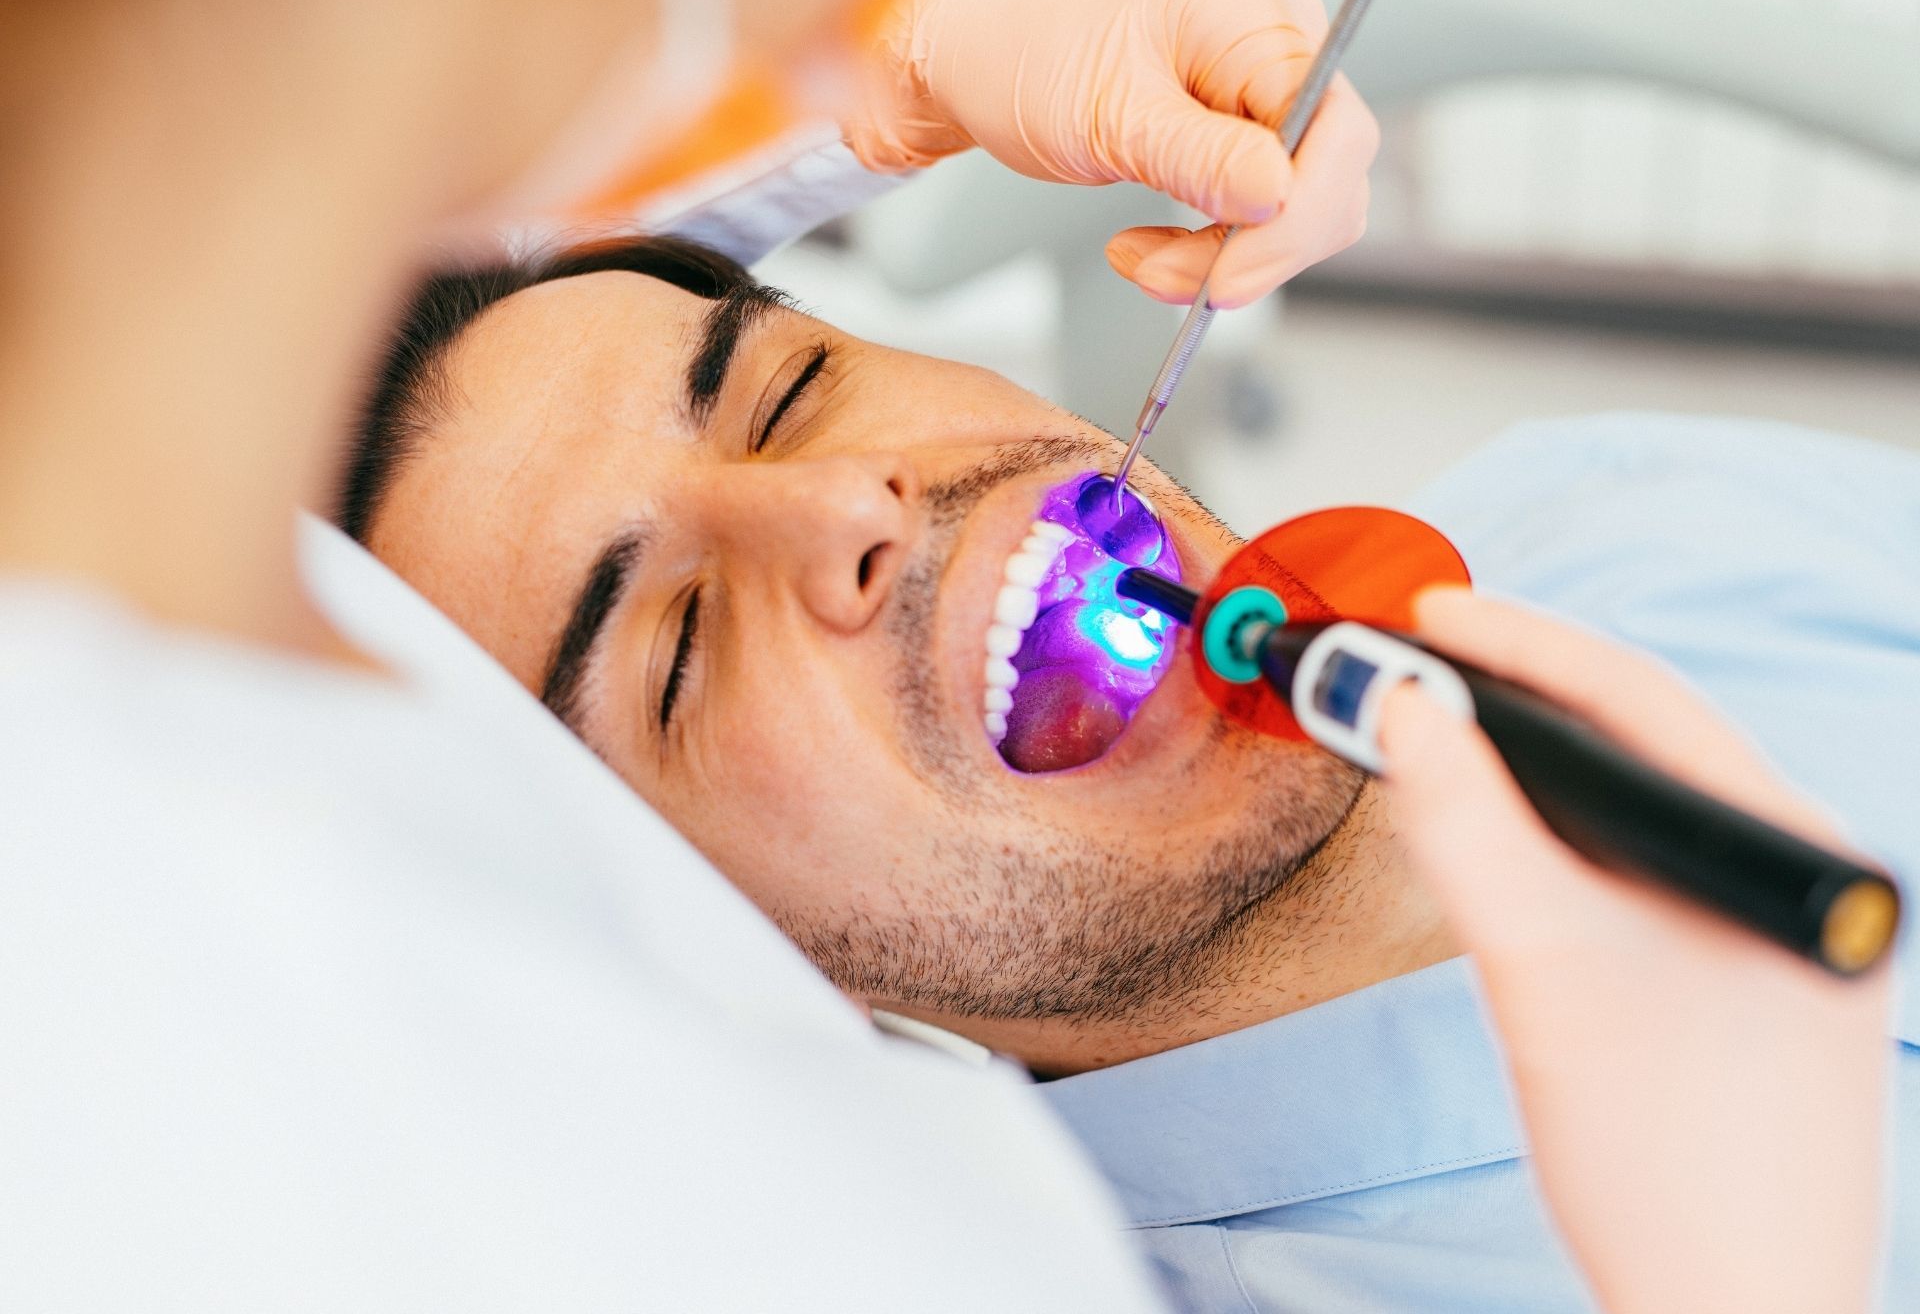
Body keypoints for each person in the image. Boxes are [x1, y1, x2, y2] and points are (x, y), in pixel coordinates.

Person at [340, 232, 1913, 1311]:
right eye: (673, 651)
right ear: (713, 955)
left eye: (789, 391)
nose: (842, 508)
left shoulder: (1628, 506)